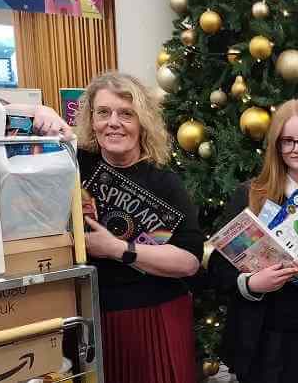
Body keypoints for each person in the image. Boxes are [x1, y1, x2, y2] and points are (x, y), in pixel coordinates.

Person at [30, 72, 202, 383]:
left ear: (142, 122)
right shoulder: (75, 161)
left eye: (126, 114)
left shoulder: (164, 181)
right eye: (103, 113)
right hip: (91, 315)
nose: (114, 122)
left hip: (155, 315)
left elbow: (189, 261)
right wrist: (39, 111)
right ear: (91, 120)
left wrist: (117, 249)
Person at [208, 98, 298, 383]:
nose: (297, 148)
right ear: (276, 147)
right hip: (259, 340)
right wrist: (251, 284)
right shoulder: (250, 195)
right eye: (287, 141)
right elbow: (217, 268)